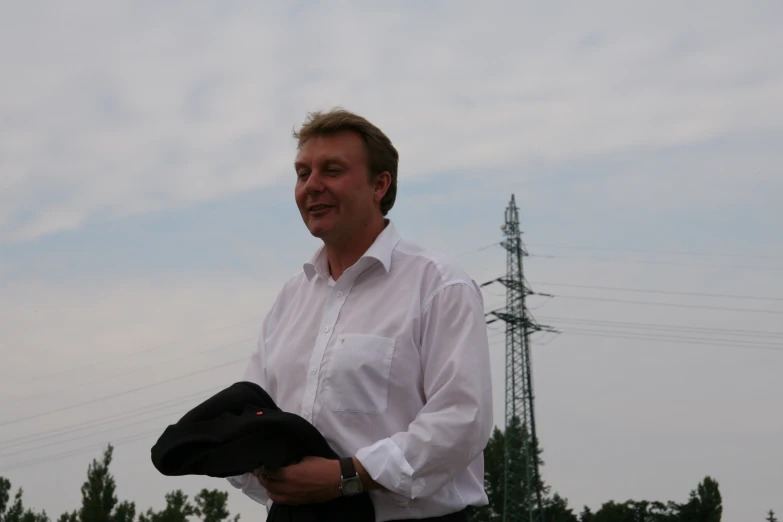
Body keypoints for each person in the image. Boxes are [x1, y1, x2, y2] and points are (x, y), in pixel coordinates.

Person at [227, 108, 493, 521]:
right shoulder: (291, 298)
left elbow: (462, 420)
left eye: (331, 171)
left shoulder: (439, 284)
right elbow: (253, 408)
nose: (312, 186)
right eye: (302, 174)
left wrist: (346, 476)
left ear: (379, 184)